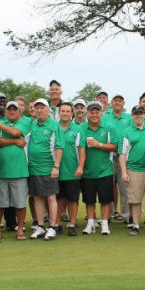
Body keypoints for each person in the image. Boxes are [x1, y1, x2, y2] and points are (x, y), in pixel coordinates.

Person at [0, 100, 31, 240]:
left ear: (19, 111)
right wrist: (15, 141)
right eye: (9, 109)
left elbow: (16, 132)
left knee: (20, 203)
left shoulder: (25, 122)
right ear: (5, 111)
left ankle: (20, 230)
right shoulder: (1, 123)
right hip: (1, 170)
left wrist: (0, 126)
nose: (12, 112)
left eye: (14, 109)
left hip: (19, 171)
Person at [118, 105, 145, 235]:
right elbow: (122, 154)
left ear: (144, 114)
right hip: (134, 169)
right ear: (132, 115)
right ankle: (136, 225)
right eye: (136, 114)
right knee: (135, 199)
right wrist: (124, 172)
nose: (138, 116)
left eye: (140, 113)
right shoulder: (126, 132)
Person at [27, 98, 64, 240]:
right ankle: (41, 227)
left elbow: (59, 147)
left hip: (49, 167)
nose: (40, 110)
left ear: (48, 110)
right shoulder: (33, 125)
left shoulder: (54, 125)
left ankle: (53, 227)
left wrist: (56, 166)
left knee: (50, 197)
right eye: (37, 108)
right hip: (34, 167)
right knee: (37, 197)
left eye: (42, 107)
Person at [81, 101, 117, 235]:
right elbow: (80, 148)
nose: (94, 114)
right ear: (88, 113)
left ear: (101, 113)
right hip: (88, 171)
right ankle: (90, 223)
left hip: (105, 170)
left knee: (105, 200)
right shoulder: (82, 128)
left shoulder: (109, 127)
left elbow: (115, 146)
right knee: (89, 200)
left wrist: (99, 144)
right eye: (92, 112)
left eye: (97, 112)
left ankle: (104, 224)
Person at [57, 102, 86, 236]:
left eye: (68, 111)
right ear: (59, 113)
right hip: (56, 170)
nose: (65, 113)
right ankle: (57, 223)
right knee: (58, 199)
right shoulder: (54, 127)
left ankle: (72, 224)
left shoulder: (78, 129)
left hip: (72, 170)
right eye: (63, 111)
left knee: (72, 199)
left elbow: (81, 149)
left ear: (72, 113)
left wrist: (80, 166)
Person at [104, 93, 132, 221]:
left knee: (124, 187)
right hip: (108, 155)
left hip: (124, 156)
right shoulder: (105, 117)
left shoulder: (129, 118)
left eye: (120, 101)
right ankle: (108, 214)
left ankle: (126, 214)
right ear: (111, 102)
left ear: (123, 103)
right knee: (108, 186)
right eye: (115, 100)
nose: (118, 103)